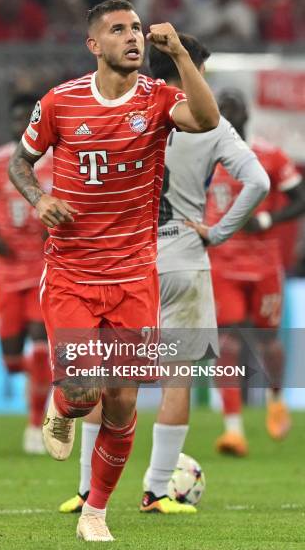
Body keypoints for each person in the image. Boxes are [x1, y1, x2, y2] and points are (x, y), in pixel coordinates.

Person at [8, 0, 219, 542]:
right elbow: (20, 162)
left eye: (137, 29)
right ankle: (64, 406)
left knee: (123, 401)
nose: (133, 36)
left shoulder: (158, 98)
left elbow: (207, 119)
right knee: (82, 391)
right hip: (73, 273)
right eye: (118, 29)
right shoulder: (61, 101)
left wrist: (180, 58)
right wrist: (37, 199)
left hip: (132, 277)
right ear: (93, 45)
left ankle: (95, 513)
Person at [58, 35, 270, 516]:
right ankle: (156, 491)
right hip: (184, 259)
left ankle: (88, 490)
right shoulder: (211, 124)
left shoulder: (129, 109)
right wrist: (217, 233)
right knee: (177, 380)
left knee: (109, 376)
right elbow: (259, 181)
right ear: (191, 69)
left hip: (125, 261)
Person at [206, 88, 305, 456]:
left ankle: (277, 399)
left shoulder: (270, 156)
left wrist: (267, 219)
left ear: (246, 114)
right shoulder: (205, 157)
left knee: (268, 341)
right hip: (223, 264)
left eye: (233, 108)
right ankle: (233, 429)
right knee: (226, 342)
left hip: (264, 265)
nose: (228, 115)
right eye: (222, 110)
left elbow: (300, 199)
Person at [0, 93, 52, 454]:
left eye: (28, 118)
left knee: (39, 343)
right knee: (11, 359)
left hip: (41, 265)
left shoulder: (56, 161)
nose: (21, 124)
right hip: (6, 269)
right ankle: (46, 380)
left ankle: (35, 426)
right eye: (16, 118)